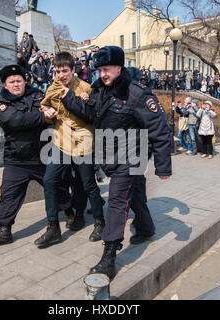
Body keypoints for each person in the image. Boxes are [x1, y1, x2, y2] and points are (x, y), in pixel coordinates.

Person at [61, 46, 173, 279]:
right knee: (137, 195)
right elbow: (91, 114)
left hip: (132, 156)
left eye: (107, 69)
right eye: (100, 69)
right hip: (111, 155)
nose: (103, 74)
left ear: (119, 68)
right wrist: (69, 98)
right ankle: (146, 227)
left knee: (117, 200)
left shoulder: (136, 93)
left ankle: (109, 256)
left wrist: (163, 166)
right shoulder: (99, 90)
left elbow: (159, 129)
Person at [0, 65, 70, 249]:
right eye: (11, 82)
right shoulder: (0, 102)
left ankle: (70, 213)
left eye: (19, 81)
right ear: (5, 85)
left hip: (42, 155)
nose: (16, 84)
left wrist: (51, 113)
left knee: (58, 187)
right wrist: (42, 117)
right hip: (17, 159)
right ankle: (4, 231)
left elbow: (54, 110)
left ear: (25, 81)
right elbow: (14, 121)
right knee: (9, 195)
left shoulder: (37, 94)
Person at [35, 52, 106, 248]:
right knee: (49, 180)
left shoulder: (85, 88)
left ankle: (100, 222)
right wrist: (46, 111)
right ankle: (53, 228)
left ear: (73, 70)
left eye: (65, 71)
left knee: (88, 184)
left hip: (82, 142)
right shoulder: (53, 87)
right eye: (57, 71)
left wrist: (81, 99)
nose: (61, 75)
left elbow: (92, 114)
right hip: (61, 142)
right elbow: (43, 105)